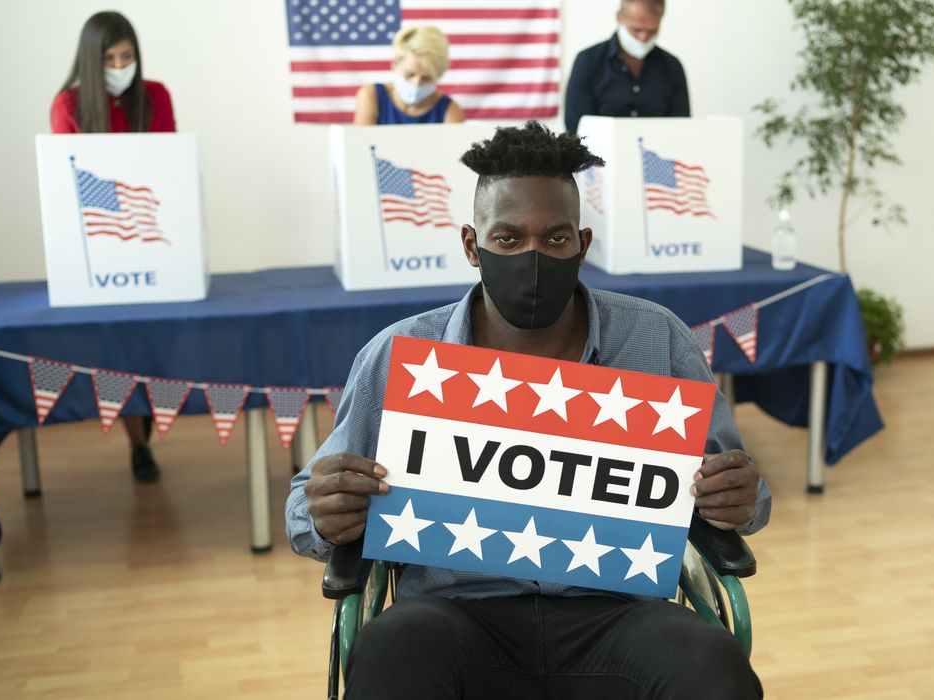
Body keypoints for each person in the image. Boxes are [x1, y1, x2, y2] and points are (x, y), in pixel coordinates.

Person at [287, 122, 768, 698]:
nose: (533, 257)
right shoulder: (403, 355)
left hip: (618, 613)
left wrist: (735, 497)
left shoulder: (656, 339)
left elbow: (742, 495)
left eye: (556, 240)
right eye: (508, 239)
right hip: (455, 611)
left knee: (711, 668)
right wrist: (325, 510)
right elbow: (305, 503)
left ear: (583, 244)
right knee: (391, 653)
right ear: (472, 244)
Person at [51, 11, 172, 482]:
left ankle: (149, 431)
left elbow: (166, 162)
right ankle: (137, 445)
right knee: (119, 349)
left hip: (153, 230)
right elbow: (70, 176)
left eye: (127, 56)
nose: (121, 65)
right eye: (110, 58)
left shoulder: (154, 95)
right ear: (91, 60)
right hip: (102, 242)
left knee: (155, 345)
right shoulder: (69, 103)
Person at [563, 0, 689, 135]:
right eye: (636, 30)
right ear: (619, 17)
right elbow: (576, 125)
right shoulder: (588, 61)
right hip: (599, 153)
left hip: (656, 154)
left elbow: (680, 127)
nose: (643, 37)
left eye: (652, 31)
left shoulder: (672, 66)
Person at [352, 26, 466, 125]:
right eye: (409, 74)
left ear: (439, 76)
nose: (416, 83)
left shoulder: (450, 110)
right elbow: (361, 147)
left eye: (426, 78)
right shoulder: (371, 96)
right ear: (395, 63)